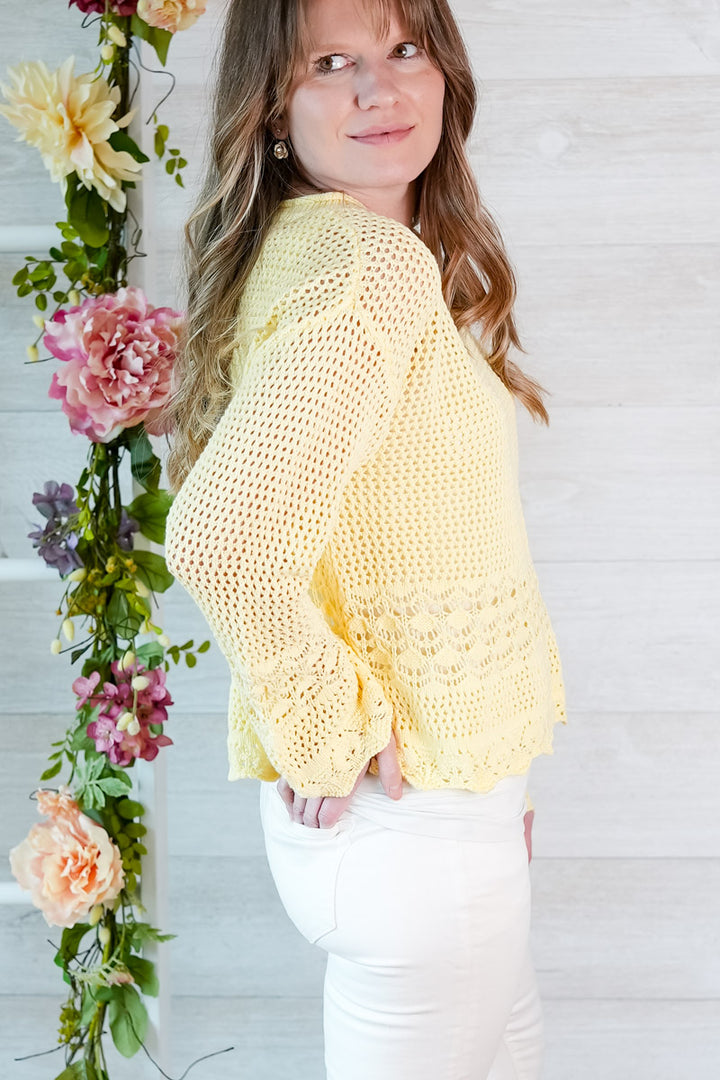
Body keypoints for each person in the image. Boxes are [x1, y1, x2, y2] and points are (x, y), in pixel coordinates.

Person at [159, 0, 567, 1076]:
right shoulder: (362, 270)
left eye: (404, 50)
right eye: (331, 63)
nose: (378, 89)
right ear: (277, 111)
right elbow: (224, 532)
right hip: (409, 833)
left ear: (445, 73)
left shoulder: (337, 251)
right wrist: (327, 726)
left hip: (439, 823)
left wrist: (495, 791)